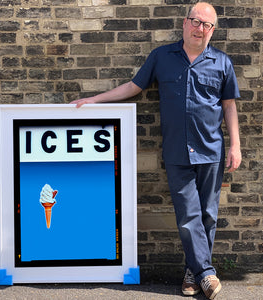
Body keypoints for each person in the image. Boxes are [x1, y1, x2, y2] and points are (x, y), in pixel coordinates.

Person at [71, 2, 241, 299]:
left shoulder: (222, 62)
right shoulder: (162, 57)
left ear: (213, 31)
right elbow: (133, 87)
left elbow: (229, 106)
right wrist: (96, 100)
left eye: (207, 25)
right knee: (189, 216)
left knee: (208, 216)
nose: (200, 29)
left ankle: (193, 274)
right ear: (185, 22)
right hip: (177, 151)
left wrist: (236, 145)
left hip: (212, 149)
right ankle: (207, 274)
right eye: (195, 21)